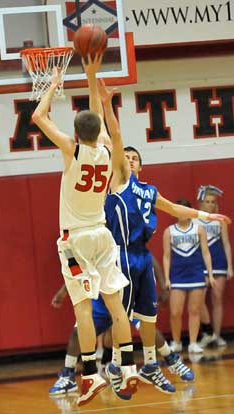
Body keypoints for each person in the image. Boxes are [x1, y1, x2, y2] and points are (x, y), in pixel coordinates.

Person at [98, 78, 230, 391]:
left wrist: (204, 214)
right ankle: (119, 363)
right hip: (121, 254)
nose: (128, 159)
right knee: (122, 315)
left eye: (134, 158)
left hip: (142, 255)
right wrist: (106, 105)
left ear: (141, 166)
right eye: (125, 156)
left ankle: (150, 365)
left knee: (147, 317)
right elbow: (114, 136)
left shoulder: (149, 191)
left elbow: (174, 209)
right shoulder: (118, 181)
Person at [32, 55, 138, 406]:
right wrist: (92, 78)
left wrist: (53, 84)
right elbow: (109, 129)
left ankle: (90, 374)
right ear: (99, 133)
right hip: (103, 236)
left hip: (76, 239)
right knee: (116, 305)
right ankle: (129, 367)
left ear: (76, 133)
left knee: (83, 309)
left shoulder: (71, 150)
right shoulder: (109, 151)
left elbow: (37, 117)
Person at [49, 255, 194, 396]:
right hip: (103, 298)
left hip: (127, 294)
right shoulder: (95, 242)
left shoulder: (127, 239)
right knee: (78, 332)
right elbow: (78, 269)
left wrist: (162, 286)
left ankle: (171, 359)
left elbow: (148, 257)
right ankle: (68, 374)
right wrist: (62, 293)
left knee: (146, 327)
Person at [163, 199, 215, 354]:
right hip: (178, 276)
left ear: (189, 212)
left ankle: (193, 342)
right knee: (175, 312)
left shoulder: (199, 229)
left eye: (184, 210)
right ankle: (176, 342)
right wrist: (166, 278)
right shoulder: (169, 231)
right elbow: (166, 256)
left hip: (196, 274)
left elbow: (206, 252)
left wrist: (210, 274)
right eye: (178, 210)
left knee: (194, 311)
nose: (181, 214)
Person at [195, 185, 233, 348]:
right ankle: (207, 331)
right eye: (207, 201)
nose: (210, 204)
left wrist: (230, 266)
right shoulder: (194, 219)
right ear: (200, 203)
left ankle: (216, 335)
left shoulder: (220, 220)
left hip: (218, 262)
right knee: (198, 299)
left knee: (217, 298)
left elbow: (226, 243)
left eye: (212, 202)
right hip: (201, 262)